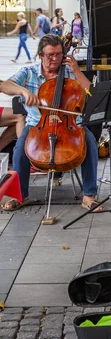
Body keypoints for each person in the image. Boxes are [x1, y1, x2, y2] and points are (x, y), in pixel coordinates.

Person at [0, 34, 101, 211]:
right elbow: (4, 86)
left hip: (70, 124)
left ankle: (89, 194)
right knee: (19, 150)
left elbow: (91, 93)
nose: (55, 59)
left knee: (90, 143)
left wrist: (77, 71)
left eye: (58, 54)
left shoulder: (70, 71)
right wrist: (23, 91)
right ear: (40, 55)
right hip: (37, 124)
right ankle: (21, 195)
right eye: (50, 55)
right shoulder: (29, 72)